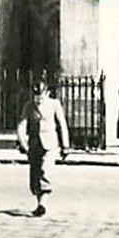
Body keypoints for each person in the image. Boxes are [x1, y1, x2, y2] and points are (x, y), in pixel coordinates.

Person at [15, 79, 71, 217]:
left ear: (47, 93)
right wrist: (23, 142)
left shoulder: (54, 104)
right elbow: (22, 124)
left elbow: (62, 124)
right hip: (34, 145)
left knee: (44, 172)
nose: (38, 98)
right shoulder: (29, 106)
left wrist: (66, 145)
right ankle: (39, 203)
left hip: (50, 144)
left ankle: (43, 205)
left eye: (41, 95)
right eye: (35, 95)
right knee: (34, 175)